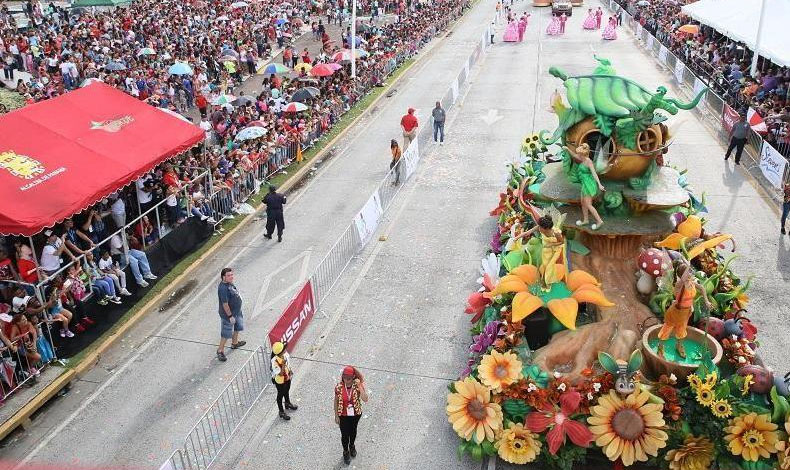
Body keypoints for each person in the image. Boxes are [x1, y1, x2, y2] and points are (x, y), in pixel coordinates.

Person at [657, 260, 711, 359]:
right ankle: (660, 347)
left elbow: (702, 288)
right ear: (683, 274)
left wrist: (707, 301)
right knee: (667, 329)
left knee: (681, 330)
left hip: (686, 312)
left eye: (690, 271)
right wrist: (688, 264)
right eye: (688, 271)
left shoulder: (691, 282)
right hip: (676, 312)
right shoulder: (679, 284)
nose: (690, 273)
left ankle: (679, 345)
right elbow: (682, 280)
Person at [564, 144, 605, 230]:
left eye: (579, 154)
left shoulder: (588, 161)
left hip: (589, 184)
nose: (578, 155)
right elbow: (574, 155)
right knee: (583, 202)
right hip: (584, 183)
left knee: (588, 204)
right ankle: (585, 220)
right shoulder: (581, 158)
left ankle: (599, 221)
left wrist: (599, 184)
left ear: (584, 154)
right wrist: (567, 149)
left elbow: (594, 173)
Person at [334, 366, 369, 465]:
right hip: (343, 415)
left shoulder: (357, 385)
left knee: (353, 431)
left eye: (349, 378)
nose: (347, 380)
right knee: (345, 435)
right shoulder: (339, 387)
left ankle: (352, 445)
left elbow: (365, 399)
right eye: (345, 378)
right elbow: (336, 401)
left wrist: (359, 386)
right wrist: (336, 415)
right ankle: (345, 451)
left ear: (353, 377)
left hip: (355, 414)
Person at [521, 215, 566, 286]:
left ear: (547, 228)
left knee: (549, 266)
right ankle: (545, 280)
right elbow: (527, 233)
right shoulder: (539, 227)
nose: (539, 229)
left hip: (555, 250)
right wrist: (516, 238)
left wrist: (551, 245)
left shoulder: (556, 233)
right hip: (546, 250)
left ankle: (547, 283)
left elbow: (562, 242)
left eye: (541, 228)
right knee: (545, 265)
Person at [216, 268, 245, 362]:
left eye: (232, 275)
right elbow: (225, 304)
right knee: (226, 333)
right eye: (228, 275)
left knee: (238, 327)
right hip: (228, 316)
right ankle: (220, 350)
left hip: (236, 311)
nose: (231, 277)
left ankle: (234, 343)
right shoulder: (223, 289)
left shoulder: (229, 283)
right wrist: (230, 316)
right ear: (223, 277)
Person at [271, 341, 298, 420]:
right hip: (280, 381)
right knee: (280, 395)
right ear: (280, 352)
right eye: (283, 349)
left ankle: (287, 403)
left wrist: (290, 370)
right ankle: (281, 411)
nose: (285, 349)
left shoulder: (285, 355)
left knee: (287, 390)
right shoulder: (274, 361)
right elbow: (280, 374)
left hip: (287, 378)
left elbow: (288, 364)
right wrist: (283, 364)